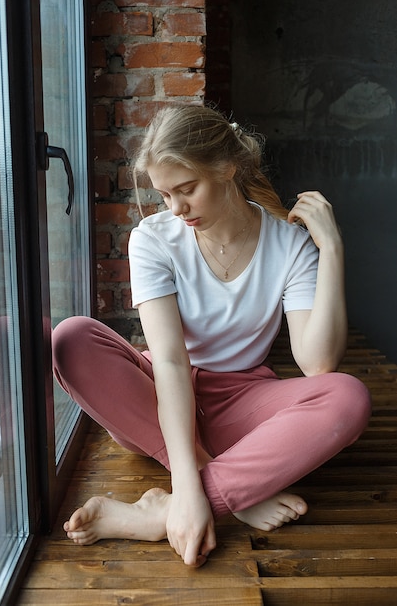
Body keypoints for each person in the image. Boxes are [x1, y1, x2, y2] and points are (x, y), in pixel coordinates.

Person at [53, 105, 371, 568]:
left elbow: (317, 363)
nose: (177, 208)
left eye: (186, 190)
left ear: (228, 168)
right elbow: (169, 362)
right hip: (160, 394)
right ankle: (223, 487)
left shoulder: (289, 244)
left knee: (348, 396)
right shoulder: (153, 239)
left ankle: (160, 515)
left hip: (244, 400)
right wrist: (199, 484)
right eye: (164, 195)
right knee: (72, 337)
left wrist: (333, 249)